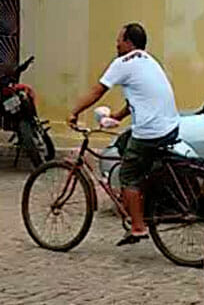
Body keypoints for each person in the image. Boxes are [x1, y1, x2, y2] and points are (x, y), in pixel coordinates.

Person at [68, 22, 180, 247]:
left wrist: (74, 112)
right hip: (170, 125)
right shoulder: (148, 61)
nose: (116, 44)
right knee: (122, 142)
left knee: (128, 174)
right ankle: (135, 198)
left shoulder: (122, 64)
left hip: (151, 130)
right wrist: (117, 118)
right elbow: (137, 99)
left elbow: (98, 91)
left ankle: (138, 227)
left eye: (119, 40)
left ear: (129, 43)